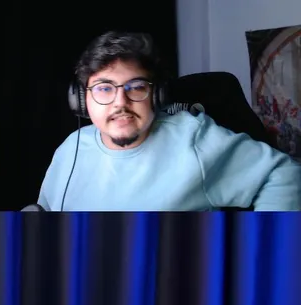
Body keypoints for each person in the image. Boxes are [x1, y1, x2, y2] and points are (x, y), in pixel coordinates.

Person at [36, 31, 301, 211]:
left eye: (136, 87)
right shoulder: (70, 149)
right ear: (82, 100)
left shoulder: (192, 138)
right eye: (104, 88)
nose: (120, 102)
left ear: (157, 95)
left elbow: (284, 174)